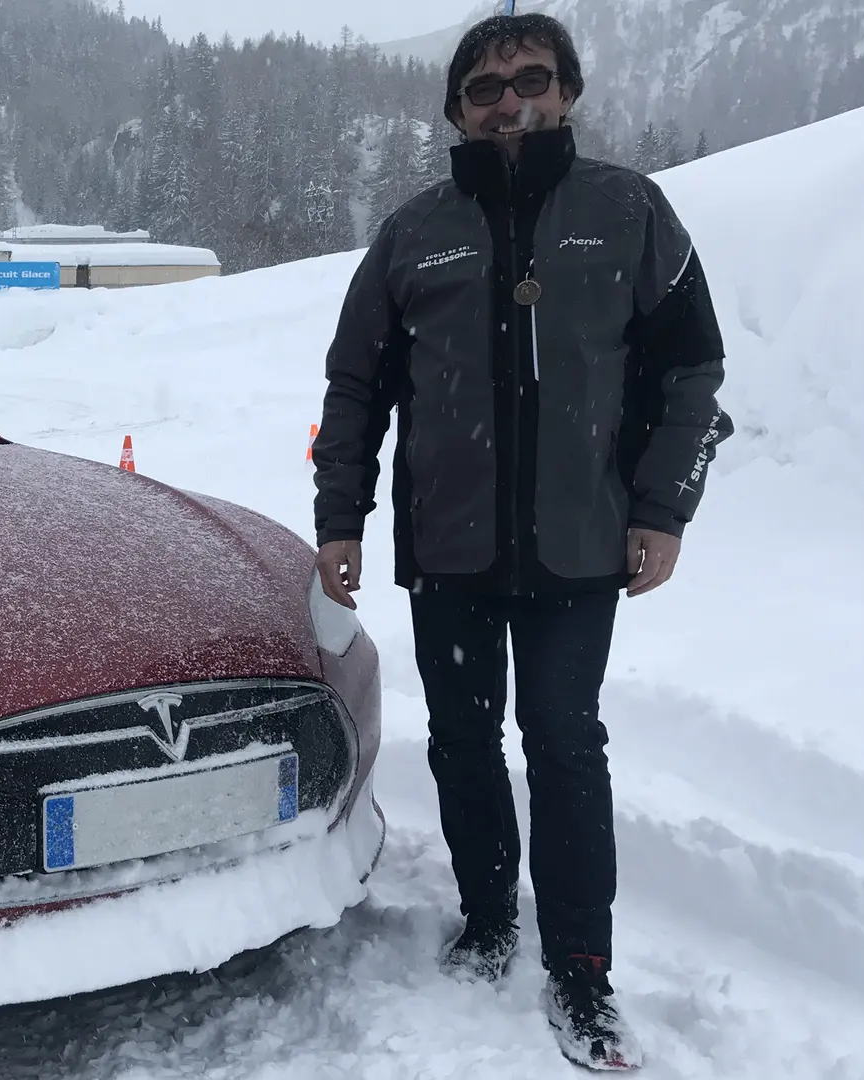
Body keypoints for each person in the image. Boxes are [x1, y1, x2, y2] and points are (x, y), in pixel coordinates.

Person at [309, 12, 732, 1072]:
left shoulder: (628, 211)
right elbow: (355, 386)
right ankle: (490, 913)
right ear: (455, 109)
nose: (510, 100)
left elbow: (692, 373)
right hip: (448, 548)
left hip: (580, 547)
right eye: (484, 87)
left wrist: (662, 510)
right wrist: (339, 519)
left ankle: (581, 966)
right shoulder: (414, 231)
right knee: (461, 739)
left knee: (562, 739)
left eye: (532, 78)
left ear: (570, 91)